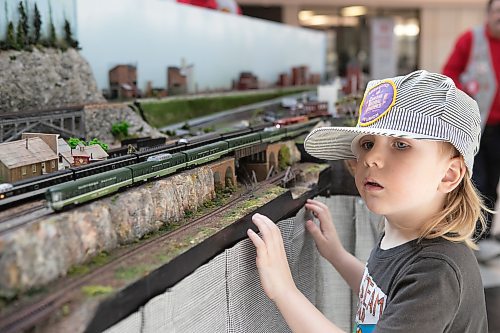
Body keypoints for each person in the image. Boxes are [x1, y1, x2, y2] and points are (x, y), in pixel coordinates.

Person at [247, 70, 489, 332]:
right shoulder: (402, 233)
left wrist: (284, 290)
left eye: (400, 145)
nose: (371, 158)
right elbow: (383, 294)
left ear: (449, 175)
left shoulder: (437, 272)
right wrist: (338, 256)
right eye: (367, 143)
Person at [442, 0, 500, 239]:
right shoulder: (470, 39)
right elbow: (449, 74)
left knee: (493, 183)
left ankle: (485, 236)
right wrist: (465, 96)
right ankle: (473, 236)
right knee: (478, 183)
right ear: (488, 13)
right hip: (478, 125)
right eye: (497, 11)